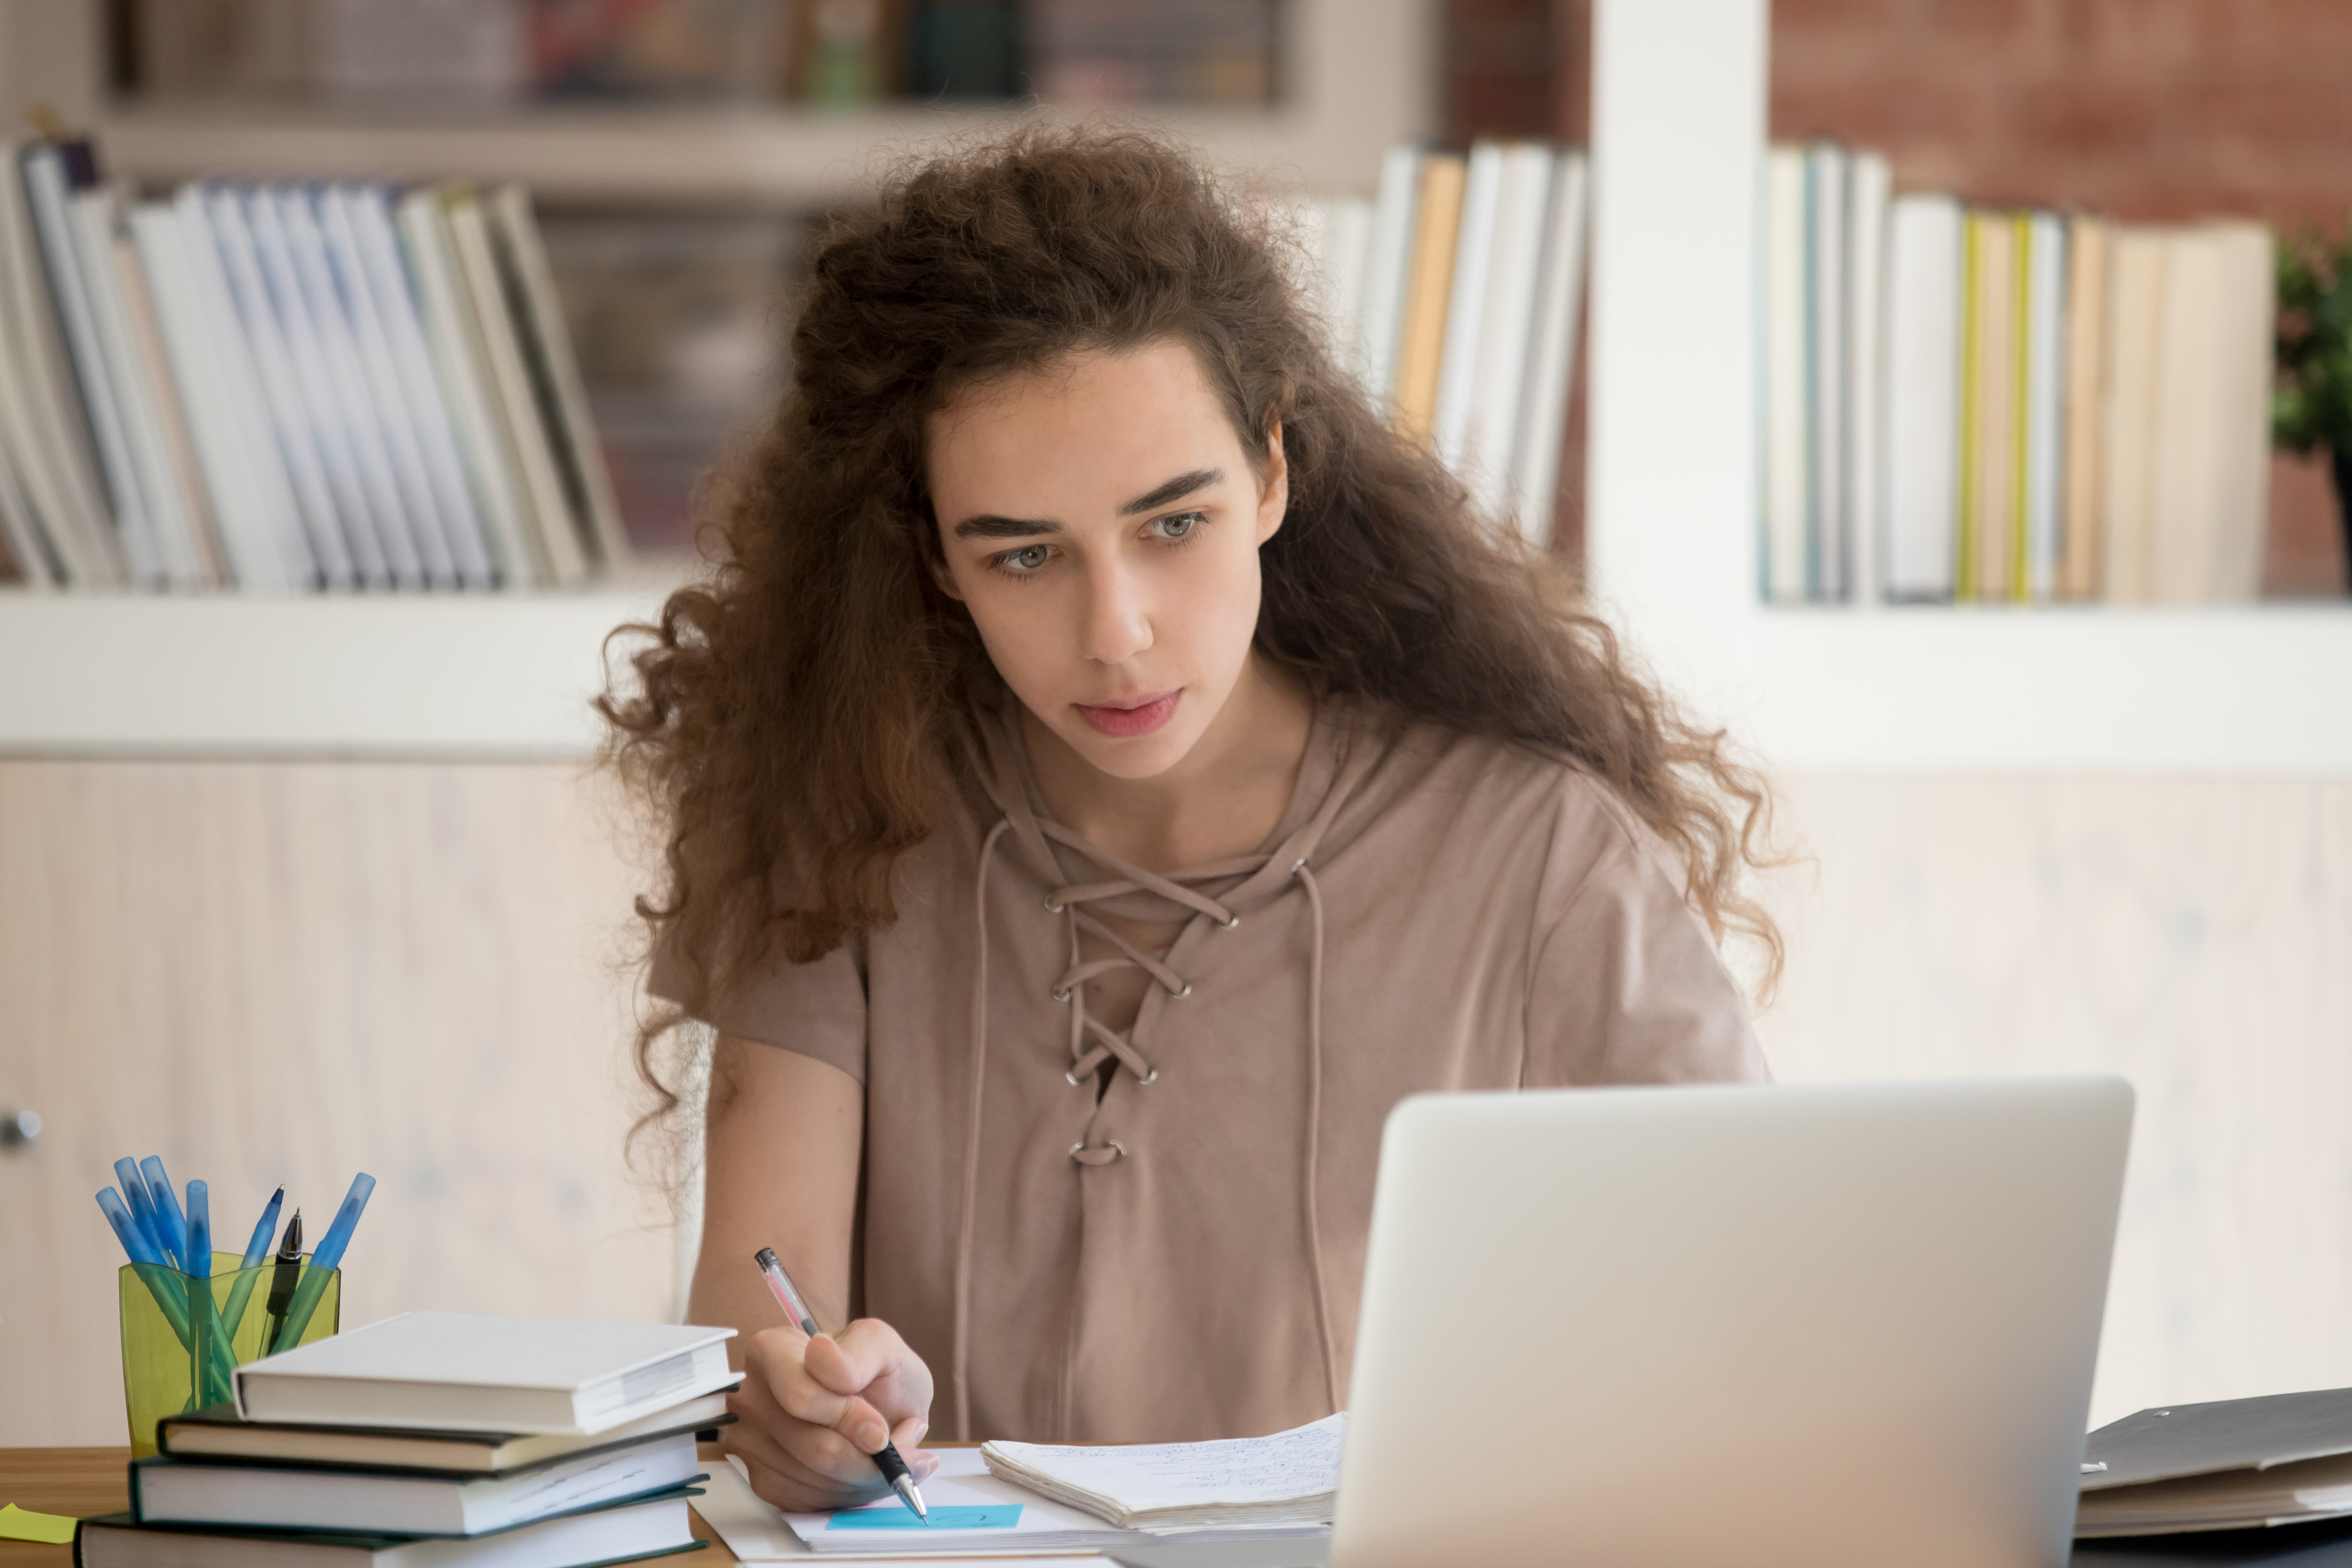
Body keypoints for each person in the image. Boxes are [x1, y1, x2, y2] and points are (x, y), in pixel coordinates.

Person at [601, 126, 1777, 1515]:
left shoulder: (1543, 859)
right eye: (1023, 553)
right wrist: (798, 1407)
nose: (1118, 633)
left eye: (1174, 523)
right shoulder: (844, 827)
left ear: (1272, 470)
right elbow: (760, 1329)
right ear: (932, 555)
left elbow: (1754, 1347)